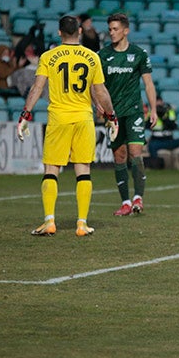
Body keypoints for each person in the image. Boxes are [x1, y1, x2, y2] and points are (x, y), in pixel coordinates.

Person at [18, 15, 117, 237]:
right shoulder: (92, 57)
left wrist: (25, 113)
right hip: (83, 118)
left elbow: (36, 87)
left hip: (59, 119)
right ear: (80, 32)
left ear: (59, 32)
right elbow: (100, 92)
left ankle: (49, 221)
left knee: (51, 170)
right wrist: (111, 116)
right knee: (83, 170)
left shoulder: (49, 57)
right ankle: (82, 224)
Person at [99, 13, 157, 217]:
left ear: (126, 30)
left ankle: (138, 198)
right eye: (110, 29)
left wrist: (153, 109)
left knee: (135, 152)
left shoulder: (139, 54)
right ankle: (125, 202)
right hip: (113, 114)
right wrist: (98, 105)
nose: (112, 33)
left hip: (134, 111)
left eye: (115, 29)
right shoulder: (103, 55)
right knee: (119, 156)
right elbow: (96, 85)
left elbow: (148, 83)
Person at [148, 95, 179, 170]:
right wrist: (155, 116)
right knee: (151, 146)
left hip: (169, 140)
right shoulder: (151, 112)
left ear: (162, 102)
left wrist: (164, 117)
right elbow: (147, 125)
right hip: (156, 140)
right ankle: (156, 166)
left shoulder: (170, 111)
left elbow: (174, 126)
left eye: (159, 103)